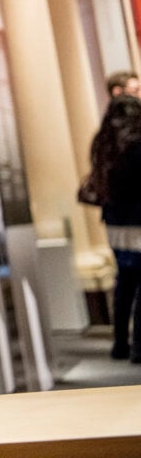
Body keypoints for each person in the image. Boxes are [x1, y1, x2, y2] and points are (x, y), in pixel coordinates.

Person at [87, 93, 141, 363]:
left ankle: (120, 342)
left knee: (125, 282)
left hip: (115, 223)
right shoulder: (136, 142)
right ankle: (139, 346)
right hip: (137, 220)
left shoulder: (102, 142)